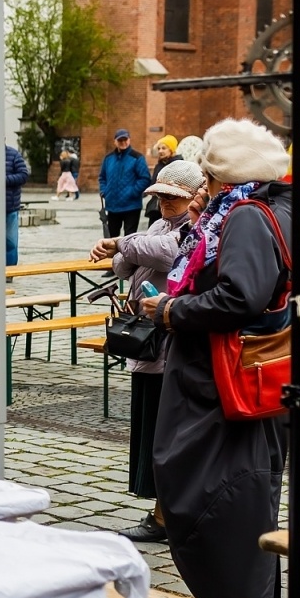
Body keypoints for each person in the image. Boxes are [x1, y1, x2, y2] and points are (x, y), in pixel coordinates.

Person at [141, 118, 291, 598]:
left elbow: (241, 295)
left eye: (209, 171)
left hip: (222, 384)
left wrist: (172, 312)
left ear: (229, 172)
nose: (202, 181)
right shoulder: (255, 208)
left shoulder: (248, 214)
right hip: (220, 381)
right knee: (222, 501)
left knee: (218, 504)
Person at [89, 160, 205, 544]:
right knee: (148, 430)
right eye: (160, 197)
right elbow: (123, 266)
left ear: (191, 196)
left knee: (164, 433)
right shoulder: (156, 226)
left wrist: (125, 242)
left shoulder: (196, 227)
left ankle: (165, 516)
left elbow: (169, 255)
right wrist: (128, 246)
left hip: (168, 344)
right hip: (144, 345)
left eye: (172, 197)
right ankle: (160, 510)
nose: (164, 204)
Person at [99, 128, 151, 238]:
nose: (123, 142)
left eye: (125, 140)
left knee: (130, 238)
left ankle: (128, 256)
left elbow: (145, 178)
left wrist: (133, 192)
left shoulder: (137, 158)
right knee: (111, 237)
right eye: (120, 140)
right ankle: (113, 256)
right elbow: (102, 177)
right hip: (112, 205)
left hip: (131, 206)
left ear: (129, 140)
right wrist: (105, 191)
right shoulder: (108, 159)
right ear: (115, 142)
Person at [144, 135, 181, 224]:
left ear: (171, 150)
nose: (160, 151)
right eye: (159, 148)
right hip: (156, 209)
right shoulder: (158, 166)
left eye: (164, 148)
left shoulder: (179, 165)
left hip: (171, 208)